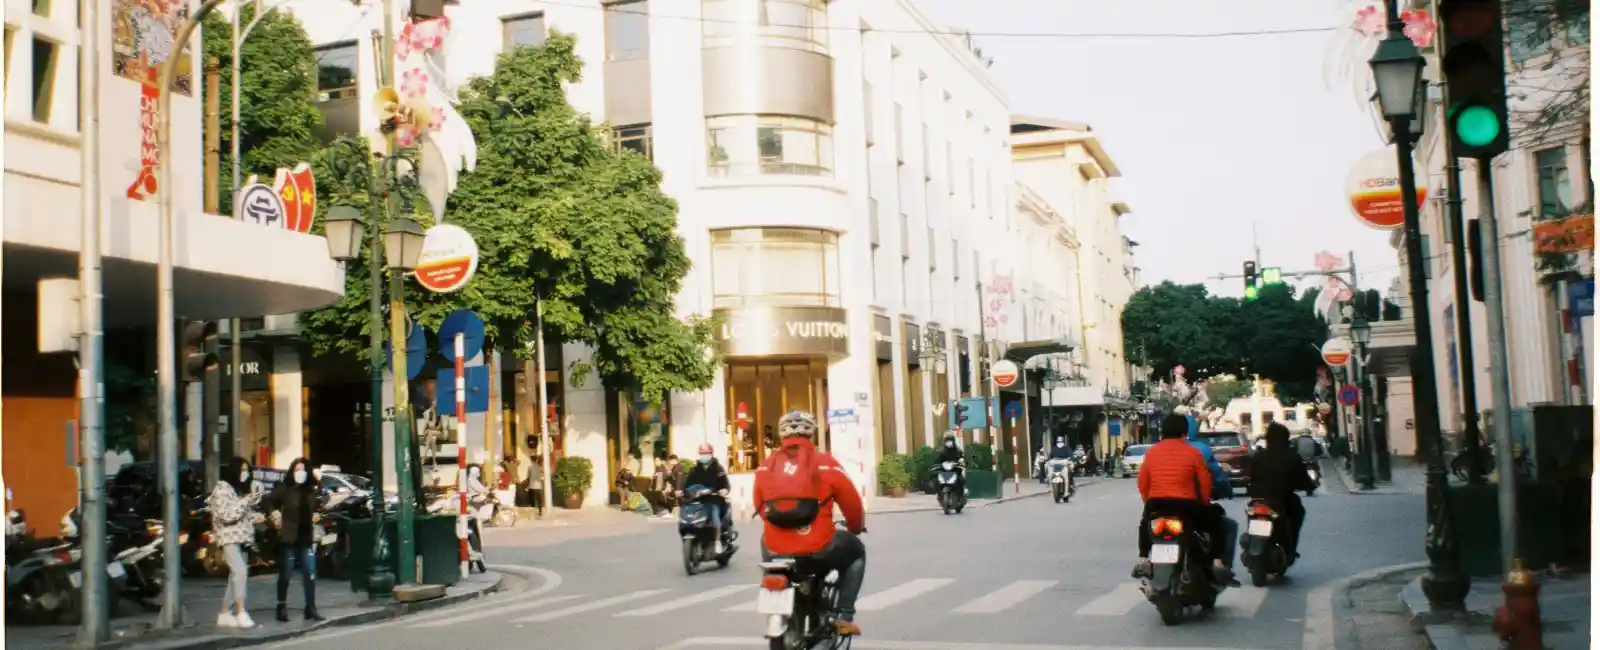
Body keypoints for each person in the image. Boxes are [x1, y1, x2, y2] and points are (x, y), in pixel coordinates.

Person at [752, 410, 867, 637]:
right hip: (818, 546)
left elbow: (759, 506)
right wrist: (855, 527)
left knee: (766, 541)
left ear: (781, 434)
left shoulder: (767, 466)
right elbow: (852, 503)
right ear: (812, 433)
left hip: (775, 548)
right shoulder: (826, 463)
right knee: (856, 553)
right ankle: (844, 617)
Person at [1131, 414, 1236, 586]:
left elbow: (1143, 483)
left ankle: (1144, 559)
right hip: (1186, 505)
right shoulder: (1193, 452)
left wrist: (1149, 502)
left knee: (1146, 525)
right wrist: (1203, 501)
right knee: (1216, 525)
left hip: (1156, 503)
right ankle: (1217, 562)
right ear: (1185, 432)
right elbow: (1204, 482)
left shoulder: (1152, 452)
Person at [266, 458, 325, 622]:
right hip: (289, 537)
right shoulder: (285, 488)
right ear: (292, 471)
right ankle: (281, 606)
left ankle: (310, 607)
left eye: (304, 469)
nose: (301, 472)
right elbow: (268, 501)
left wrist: (319, 481)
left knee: (310, 572)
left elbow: (321, 500)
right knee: (286, 573)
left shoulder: (310, 491)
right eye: (297, 469)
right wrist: (274, 515)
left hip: (306, 537)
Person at [1248, 423, 1315, 560]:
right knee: (1297, 514)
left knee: (1251, 514)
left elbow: (1251, 475)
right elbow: (1303, 480)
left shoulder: (1258, 456)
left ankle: (1253, 540)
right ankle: (1290, 548)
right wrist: (1308, 486)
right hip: (1282, 498)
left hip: (1258, 499)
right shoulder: (1292, 457)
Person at [208, 457, 262, 628]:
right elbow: (227, 515)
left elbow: (241, 514)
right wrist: (245, 501)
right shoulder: (223, 489)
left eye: (247, 470)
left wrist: (254, 517)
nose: (245, 474)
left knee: (235, 577)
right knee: (240, 571)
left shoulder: (237, 490)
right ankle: (240, 611)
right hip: (228, 538)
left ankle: (224, 612)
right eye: (242, 470)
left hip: (241, 538)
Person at [682, 443, 733, 551]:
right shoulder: (694, 470)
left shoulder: (718, 469)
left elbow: (726, 485)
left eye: (706, 453)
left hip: (714, 500)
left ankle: (718, 541)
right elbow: (687, 486)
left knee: (714, 513)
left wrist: (724, 490)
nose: (704, 456)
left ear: (711, 454)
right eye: (702, 453)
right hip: (698, 501)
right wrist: (687, 492)